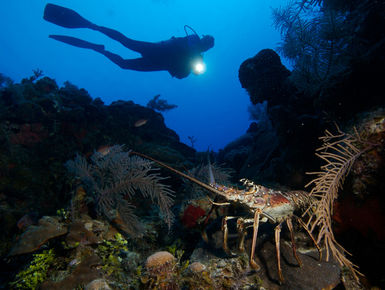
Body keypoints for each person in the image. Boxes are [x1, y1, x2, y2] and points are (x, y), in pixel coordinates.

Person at [43, 3, 214, 79]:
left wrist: (196, 68)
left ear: (207, 48)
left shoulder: (199, 59)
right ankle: (93, 26)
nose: (204, 43)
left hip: (158, 64)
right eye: (205, 40)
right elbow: (186, 50)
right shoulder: (193, 39)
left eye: (207, 44)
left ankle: (99, 49)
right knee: (126, 41)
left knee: (124, 64)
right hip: (157, 51)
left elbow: (183, 75)